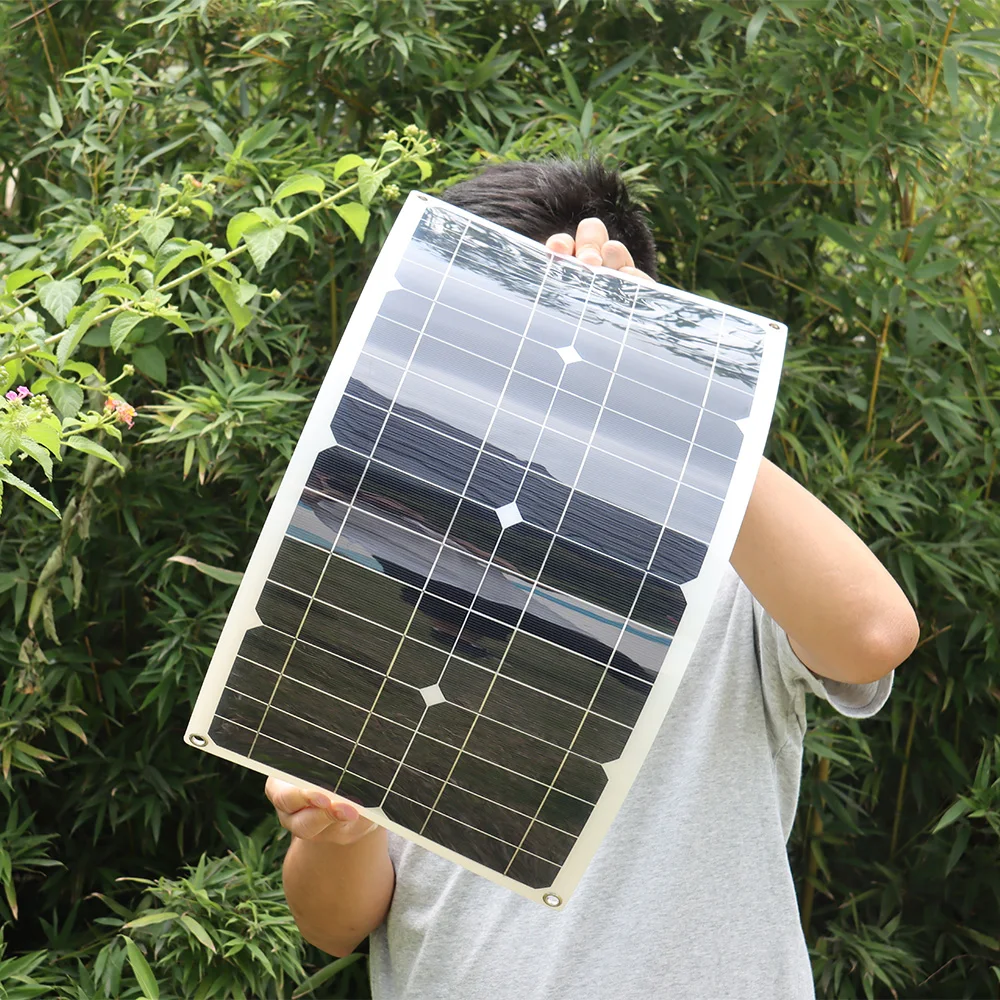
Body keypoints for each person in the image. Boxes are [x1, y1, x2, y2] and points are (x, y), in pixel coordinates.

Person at [265, 160, 919, 999]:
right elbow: (335, 925)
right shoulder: (368, 547)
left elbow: (872, 635)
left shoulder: (730, 550)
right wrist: (336, 834)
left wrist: (674, 385)